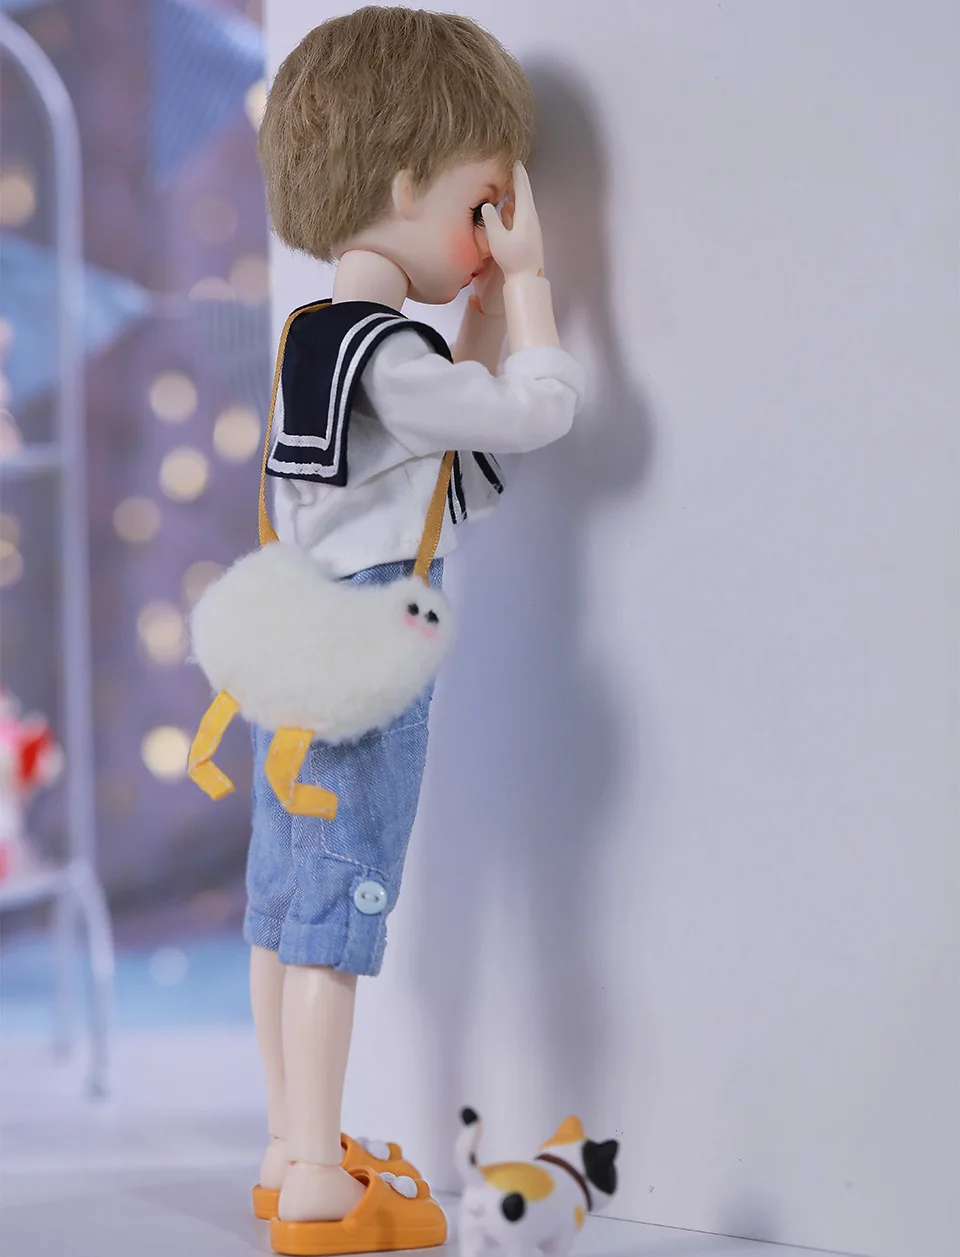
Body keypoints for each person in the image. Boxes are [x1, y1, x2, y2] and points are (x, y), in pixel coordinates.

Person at [247, 9, 586, 1253]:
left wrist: (478, 319)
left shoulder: (317, 341)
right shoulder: (388, 356)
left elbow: (440, 473)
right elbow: (533, 416)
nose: (494, 231)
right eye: (482, 203)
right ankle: (317, 1182)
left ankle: (290, 1150)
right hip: (371, 655)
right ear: (405, 188)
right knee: (337, 917)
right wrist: (531, 294)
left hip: (298, 644)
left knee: (286, 908)